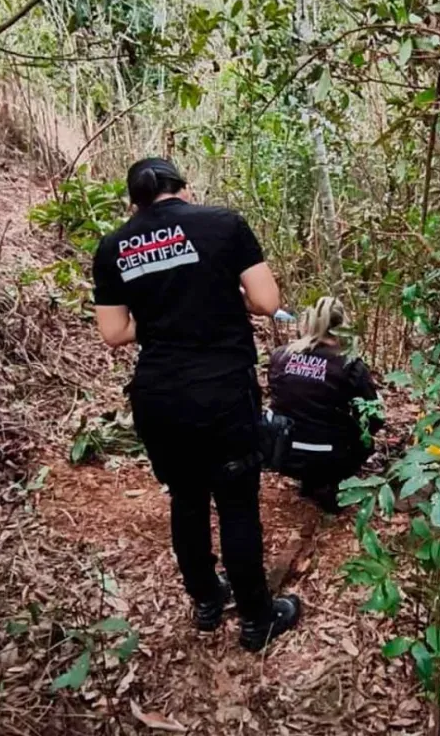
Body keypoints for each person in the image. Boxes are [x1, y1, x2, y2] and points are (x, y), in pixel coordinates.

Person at [92, 157, 300, 651]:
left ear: (133, 203)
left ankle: (207, 600)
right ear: (184, 191)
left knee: (186, 498)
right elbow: (269, 302)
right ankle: (256, 618)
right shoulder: (222, 224)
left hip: (159, 397)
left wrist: (163, 312)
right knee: (236, 503)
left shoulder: (112, 246)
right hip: (222, 391)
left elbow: (114, 332)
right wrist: (214, 296)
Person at [267, 297, 384, 513]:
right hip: (330, 457)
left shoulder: (280, 356)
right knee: (363, 437)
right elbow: (374, 418)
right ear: (343, 327)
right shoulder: (350, 366)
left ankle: (309, 480)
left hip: (282, 453)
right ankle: (326, 483)